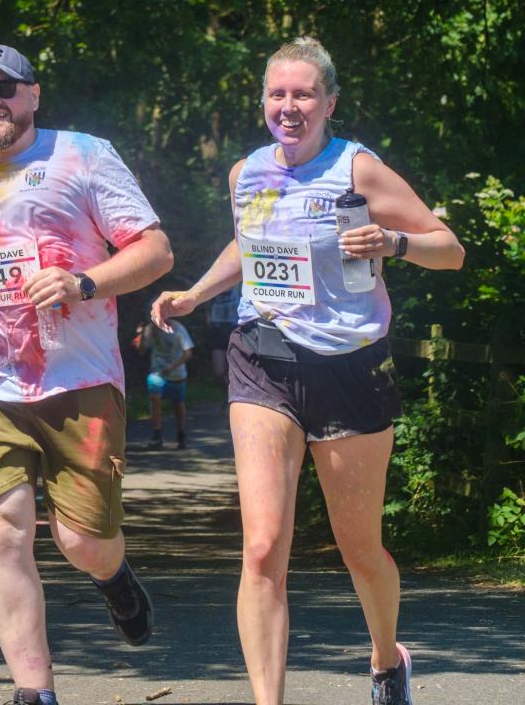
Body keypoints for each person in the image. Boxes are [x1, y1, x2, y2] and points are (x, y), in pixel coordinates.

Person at [150, 37, 464, 705]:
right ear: (263, 100)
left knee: (360, 549)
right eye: (278, 93)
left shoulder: (358, 170)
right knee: (263, 547)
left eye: (303, 94)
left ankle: (386, 660)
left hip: (350, 368)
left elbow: (449, 248)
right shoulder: (246, 173)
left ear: (329, 103)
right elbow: (249, 243)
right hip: (263, 358)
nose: (288, 106)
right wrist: (195, 294)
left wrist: (394, 242)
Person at [0, 44, 173, 705]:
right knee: (2, 530)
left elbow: (155, 251)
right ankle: (33, 691)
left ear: (34, 95)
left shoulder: (83, 156)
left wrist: (84, 281)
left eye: (6, 88)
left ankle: (113, 576)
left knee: (83, 541)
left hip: (80, 379)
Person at [133, 318, 193, 449]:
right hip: (157, 373)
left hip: (177, 374)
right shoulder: (150, 329)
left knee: (178, 404)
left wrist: (172, 367)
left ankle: (181, 434)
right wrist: (141, 334)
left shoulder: (178, 329)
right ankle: (157, 434)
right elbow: (141, 351)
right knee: (155, 399)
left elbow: (188, 353)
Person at [207, 283, 241, 401]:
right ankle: (228, 395)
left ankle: (234, 399)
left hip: (235, 330)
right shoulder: (213, 291)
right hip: (217, 332)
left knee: (234, 370)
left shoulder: (238, 288)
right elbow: (208, 311)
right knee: (218, 371)